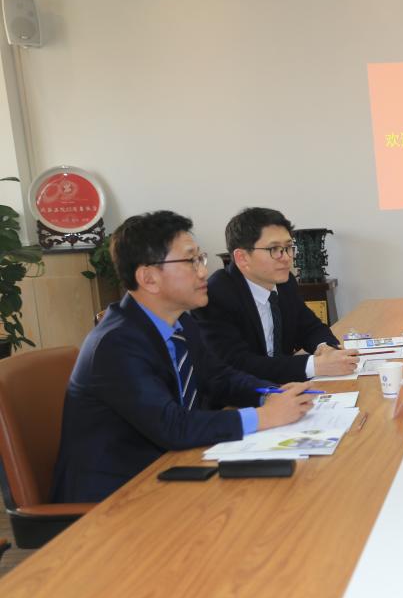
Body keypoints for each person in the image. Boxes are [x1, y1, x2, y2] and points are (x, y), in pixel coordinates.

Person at [52, 212, 314, 503]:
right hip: (115, 497)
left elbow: (219, 378)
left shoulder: (181, 323)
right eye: (191, 261)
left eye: (200, 259)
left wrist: (271, 394)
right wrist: (264, 417)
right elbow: (172, 426)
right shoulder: (115, 344)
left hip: (175, 469)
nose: (203, 272)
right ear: (148, 278)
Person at [194, 207, 357, 384]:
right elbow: (237, 364)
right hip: (244, 394)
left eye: (288, 247)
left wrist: (325, 348)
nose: (286, 257)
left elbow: (310, 327)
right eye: (274, 249)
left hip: (285, 387)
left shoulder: (286, 283)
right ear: (242, 258)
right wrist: (314, 365)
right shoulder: (216, 295)